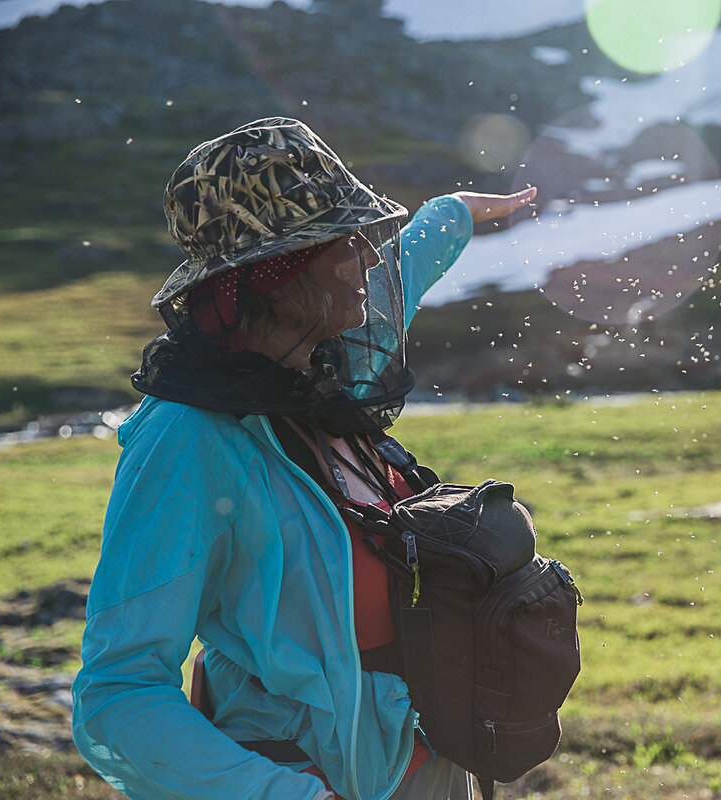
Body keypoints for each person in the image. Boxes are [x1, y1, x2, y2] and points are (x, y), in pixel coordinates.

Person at [71, 117, 537, 800]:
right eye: (347, 242)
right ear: (277, 272)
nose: (370, 261)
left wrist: (456, 214)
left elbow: (407, 264)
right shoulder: (186, 439)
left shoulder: (320, 370)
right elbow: (117, 693)